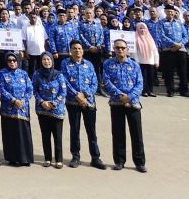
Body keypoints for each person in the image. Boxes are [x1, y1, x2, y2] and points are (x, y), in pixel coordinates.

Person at [103, 39, 147, 173]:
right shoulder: (107, 64)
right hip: (116, 102)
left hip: (133, 104)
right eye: (117, 48)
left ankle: (139, 162)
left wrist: (130, 97)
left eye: (122, 48)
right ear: (114, 49)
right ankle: (119, 160)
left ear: (127, 49)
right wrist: (120, 95)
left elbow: (140, 83)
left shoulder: (134, 65)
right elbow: (107, 81)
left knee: (137, 134)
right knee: (118, 133)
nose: (120, 50)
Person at [62, 40, 105, 169]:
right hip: (72, 101)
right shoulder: (65, 64)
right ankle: (76, 156)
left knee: (91, 130)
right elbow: (64, 81)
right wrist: (77, 95)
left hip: (89, 102)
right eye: (74, 48)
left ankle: (95, 157)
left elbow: (95, 82)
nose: (77, 50)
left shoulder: (89, 64)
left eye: (79, 48)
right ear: (70, 51)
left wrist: (85, 95)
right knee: (75, 130)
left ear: (83, 50)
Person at [0, 54, 33, 167]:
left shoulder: (23, 73)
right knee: (10, 134)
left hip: (22, 109)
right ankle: (12, 158)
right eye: (9, 60)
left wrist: (23, 100)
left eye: (14, 60)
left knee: (24, 134)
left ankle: (25, 158)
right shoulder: (2, 73)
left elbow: (30, 89)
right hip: (9, 109)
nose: (12, 62)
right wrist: (13, 100)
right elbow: (1, 89)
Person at [32, 52, 67, 168]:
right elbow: (34, 90)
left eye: (48, 60)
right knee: (45, 135)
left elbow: (63, 91)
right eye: (44, 60)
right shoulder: (37, 74)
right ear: (41, 61)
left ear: (52, 61)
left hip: (56, 109)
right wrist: (42, 102)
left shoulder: (59, 75)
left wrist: (54, 103)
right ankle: (47, 158)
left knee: (57, 135)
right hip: (42, 109)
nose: (46, 62)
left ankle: (59, 159)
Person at [134, 22, 159, 97]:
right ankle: (144, 91)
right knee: (143, 77)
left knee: (150, 77)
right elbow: (134, 52)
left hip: (150, 61)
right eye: (140, 28)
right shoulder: (135, 38)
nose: (142, 30)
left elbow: (155, 51)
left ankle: (150, 91)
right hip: (141, 61)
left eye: (144, 28)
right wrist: (136, 61)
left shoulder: (149, 38)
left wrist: (156, 61)